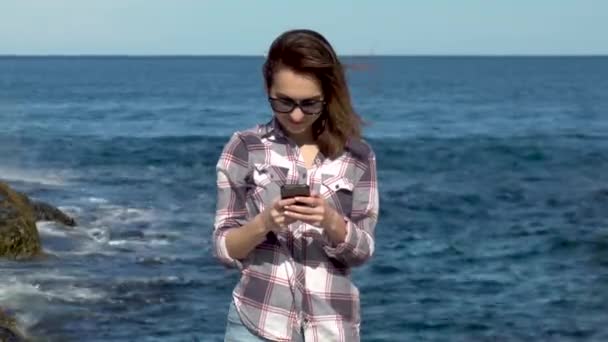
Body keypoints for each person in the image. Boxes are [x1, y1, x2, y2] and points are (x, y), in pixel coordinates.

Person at [212, 29, 379, 342]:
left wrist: (330, 221)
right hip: (256, 326)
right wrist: (264, 223)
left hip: (332, 329)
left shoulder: (358, 156)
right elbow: (223, 248)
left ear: (328, 95)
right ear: (268, 89)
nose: (297, 115)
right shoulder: (244, 148)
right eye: (284, 103)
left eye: (310, 104)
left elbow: (363, 252)